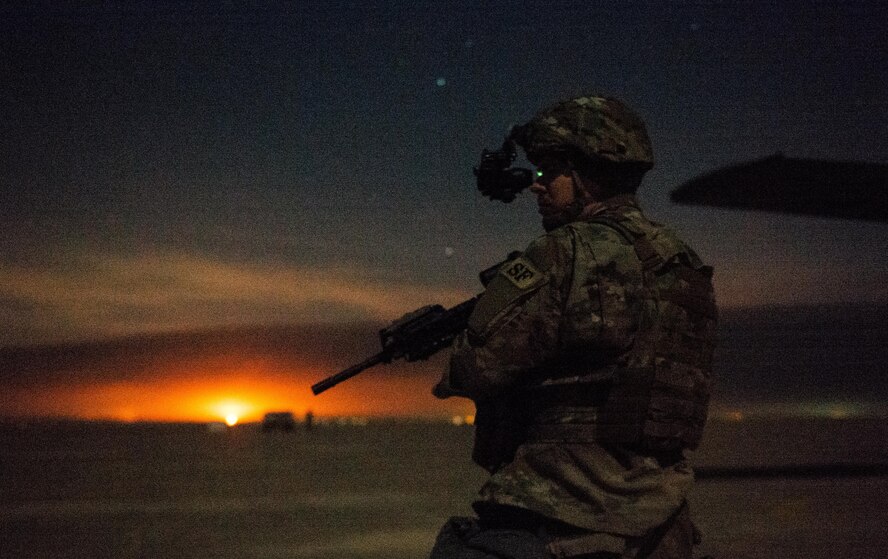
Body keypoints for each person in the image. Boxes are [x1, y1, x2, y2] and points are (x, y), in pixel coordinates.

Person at [430, 95, 718, 559]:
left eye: (548, 173)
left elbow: (478, 367)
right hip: (660, 520)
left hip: (560, 510)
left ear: (586, 176)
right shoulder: (682, 261)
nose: (536, 187)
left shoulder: (562, 252)